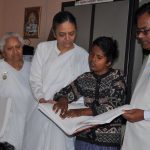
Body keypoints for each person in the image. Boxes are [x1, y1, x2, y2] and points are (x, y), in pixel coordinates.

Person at [22, 11, 89, 150]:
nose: (67, 39)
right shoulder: (43, 49)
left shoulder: (83, 56)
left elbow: (84, 90)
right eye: (62, 34)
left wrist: (69, 106)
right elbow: (34, 79)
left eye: (72, 33)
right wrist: (41, 98)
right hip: (40, 109)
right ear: (54, 32)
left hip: (63, 115)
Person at [53, 36, 126, 150]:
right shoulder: (85, 78)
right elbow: (63, 92)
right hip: (83, 139)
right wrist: (63, 100)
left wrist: (80, 112)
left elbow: (113, 106)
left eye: (99, 57)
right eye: (91, 54)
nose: (93, 59)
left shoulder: (117, 78)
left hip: (107, 144)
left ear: (109, 62)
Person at [121, 2, 150, 150]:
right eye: (138, 31)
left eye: (145, 31)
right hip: (137, 136)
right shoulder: (148, 57)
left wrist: (144, 115)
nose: (139, 36)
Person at [0, 32, 36, 150]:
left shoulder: (32, 68)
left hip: (30, 125)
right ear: (2, 51)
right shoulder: (2, 69)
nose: (15, 52)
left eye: (18, 47)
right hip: (7, 128)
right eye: (10, 48)